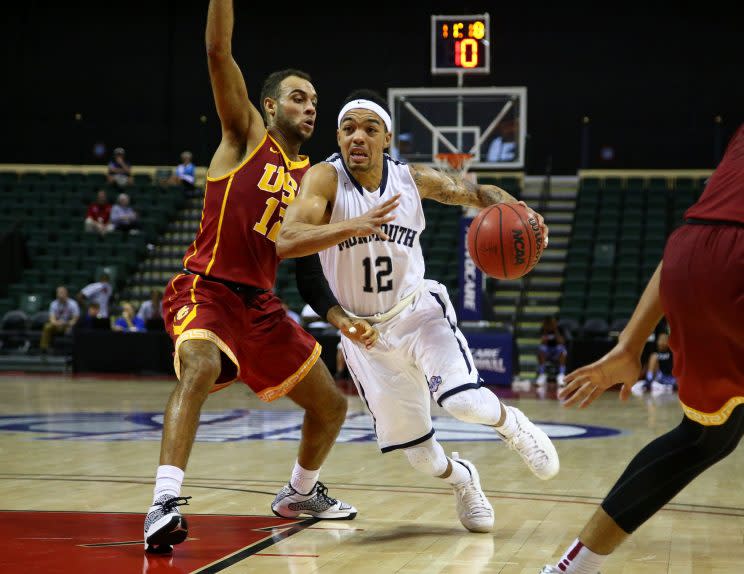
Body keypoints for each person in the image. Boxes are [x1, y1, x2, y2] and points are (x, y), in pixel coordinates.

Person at [277, 90, 560, 534]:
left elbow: (478, 193)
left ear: (386, 137)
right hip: (364, 336)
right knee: (422, 458)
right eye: (349, 128)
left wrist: (519, 210)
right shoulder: (324, 180)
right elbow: (289, 238)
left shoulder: (412, 179)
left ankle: (515, 427)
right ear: (338, 136)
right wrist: (344, 318)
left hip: (417, 313)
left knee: (464, 401)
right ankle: (465, 480)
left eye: (370, 129)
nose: (358, 137)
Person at [144, 0, 368, 554]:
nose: (311, 108)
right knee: (199, 364)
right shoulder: (246, 136)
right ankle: (163, 502)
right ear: (269, 106)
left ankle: (300, 493)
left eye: (316, 101)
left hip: (262, 306)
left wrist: (340, 315)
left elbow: (310, 266)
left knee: (332, 406)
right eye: (298, 97)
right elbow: (217, 51)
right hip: (207, 286)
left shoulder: (315, 182)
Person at [539, 123, 744, 574]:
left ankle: (573, 568)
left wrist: (629, 346)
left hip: (688, 254)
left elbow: (710, 235)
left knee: (706, 438)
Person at [632, 331, 676, 395]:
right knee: (654, 356)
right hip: (658, 377)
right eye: (660, 340)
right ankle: (649, 379)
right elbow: (647, 367)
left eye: (664, 340)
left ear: (669, 342)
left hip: (669, 377)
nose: (662, 342)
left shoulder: (672, 353)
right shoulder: (654, 352)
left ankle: (666, 385)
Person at [40, 286, 79, 354]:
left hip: (68, 325)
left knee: (74, 328)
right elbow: (52, 319)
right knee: (47, 326)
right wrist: (57, 323)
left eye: (62, 293)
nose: (60, 294)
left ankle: (74, 351)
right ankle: (44, 348)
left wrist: (67, 324)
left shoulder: (73, 303)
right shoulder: (53, 304)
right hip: (57, 324)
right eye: (58, 293)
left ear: (66, 293)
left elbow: (75, 319)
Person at [536, 315, 567, 387]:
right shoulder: (543, 329)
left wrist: (555, 329)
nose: (550, 324)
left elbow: (561, 341)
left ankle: (561, 375)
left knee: (562, 349)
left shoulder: (559, 329)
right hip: (547, 351)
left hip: (557, 351)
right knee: (541, 349)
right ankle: (542, 375)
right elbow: (543, 342)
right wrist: (546, 331)